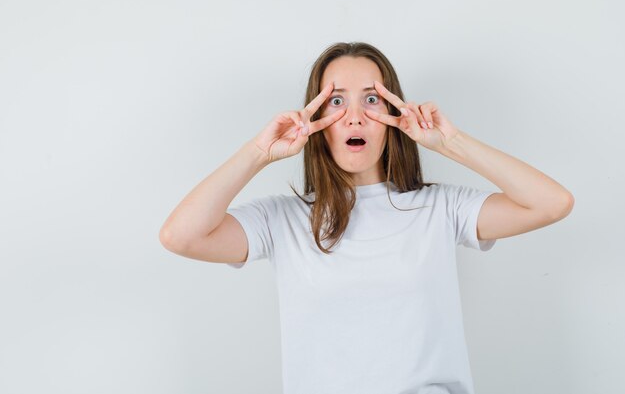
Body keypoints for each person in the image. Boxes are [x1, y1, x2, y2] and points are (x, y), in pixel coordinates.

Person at [159, 42, 574, 394]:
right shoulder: (281, 220)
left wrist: (451, 143)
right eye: (336, 101)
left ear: (394, 112)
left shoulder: (441, 208)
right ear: (316, 120)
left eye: (371, 99)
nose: (355, 117)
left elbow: (552, 203)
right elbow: (180, 236)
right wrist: (259, 152)